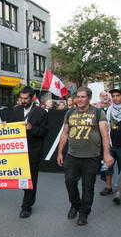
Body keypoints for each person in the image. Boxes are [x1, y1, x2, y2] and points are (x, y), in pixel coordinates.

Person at [57, 87, 114, 226]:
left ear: (89, 98)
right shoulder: (70, 113)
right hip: (72, 155)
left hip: (91, 157)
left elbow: (105, 135)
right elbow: (64, 133)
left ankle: (84, 213)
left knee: (88, 187)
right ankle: (75, 204)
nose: (80, 99)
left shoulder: (98, 113)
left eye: (83, 97)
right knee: (69, 182)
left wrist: (106, 154)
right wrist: (59, 152)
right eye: (78, 97)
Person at [9, 86, 48, 218]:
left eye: (26, 98)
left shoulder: (41, 112)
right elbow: (11, 127)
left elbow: (44, 132)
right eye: (22, 98)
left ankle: (27, 206)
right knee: (22, 178)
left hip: (33, 151)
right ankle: (27, 197)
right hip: (19, 152)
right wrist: (5, 126)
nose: (23, 101)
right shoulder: (17, 110)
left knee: (30, 178)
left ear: (32, 98)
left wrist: (32, 128)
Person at [101, 89, 121, 204]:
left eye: (118, 95)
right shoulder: (109, 110)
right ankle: (108, 187)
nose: (115, 98)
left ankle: (119, 191)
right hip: (111, 144)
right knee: (106, 166)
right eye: (113, 96)